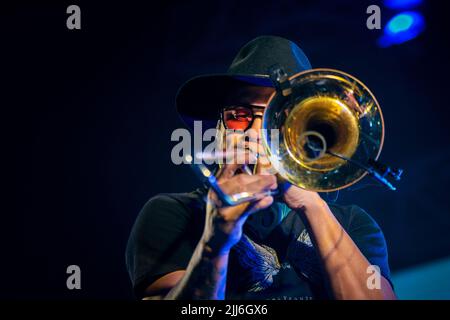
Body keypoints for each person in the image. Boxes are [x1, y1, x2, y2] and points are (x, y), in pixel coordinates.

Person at [125, 36, 396, 300]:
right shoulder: (173, 215)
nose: (256, 132)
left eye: (276, 118)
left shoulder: (351, 223)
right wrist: (214, 242)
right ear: (219, 130)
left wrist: (310, 203)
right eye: (239, 116)